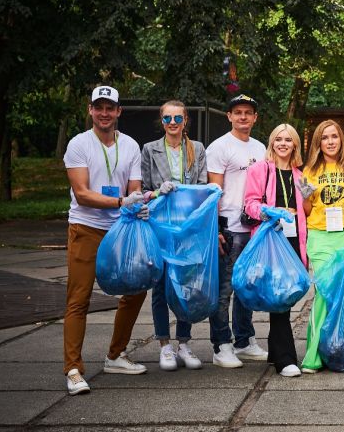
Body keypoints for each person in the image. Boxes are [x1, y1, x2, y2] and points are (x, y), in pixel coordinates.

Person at [62, 86, 150, 395]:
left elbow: (134, 188)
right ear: (90, 110)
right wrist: (122, 202)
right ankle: (73, 370)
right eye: (98, 107)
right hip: (86, 227)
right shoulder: (78, 144)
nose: (104, 113)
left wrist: (139, 203)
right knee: (79, 298)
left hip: (120, 229)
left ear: (118, 111)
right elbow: (82, 194)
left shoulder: (130, 145)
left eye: (109, 107)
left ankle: (115, 355)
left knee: (137, 288)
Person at [139, 100, 207, 372]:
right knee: (159, 285)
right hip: (160, 226)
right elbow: (143, 189)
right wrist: (158, 192)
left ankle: (184, 342)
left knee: (185, 284)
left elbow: (202, 186)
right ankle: (164, 344)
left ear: (185, 120)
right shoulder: (150, 149)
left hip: (187, 227)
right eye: (167, 118)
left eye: (178, 118)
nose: (173, 123)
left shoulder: (197, 149)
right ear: (162, 120)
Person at [300, 120, 344, 373]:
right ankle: (314, 354)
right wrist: (305, 197)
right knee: (323, 293)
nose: (330, 142)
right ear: (318, 143)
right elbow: (308, 210)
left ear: (342, 139)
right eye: (325, 137)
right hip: (320, 236)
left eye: (334, 136)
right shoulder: (310, 170)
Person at [206, 94, 268, 368]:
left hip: (253, 228)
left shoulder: (260, 147)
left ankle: (244, 340)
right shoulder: (219, 147)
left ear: (255, 118)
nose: (243, 116)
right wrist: (216, 228)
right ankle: (221, 345)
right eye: (238, 112)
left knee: (246, 287)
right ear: (229, 116)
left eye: (248, 112)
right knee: (225, 289)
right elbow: (214, 192)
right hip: (229, 227)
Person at [243, 124, 309, 378]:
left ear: (295, 145)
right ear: (272, 143)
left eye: (288, 140)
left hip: (293, 242)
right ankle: (285, 359)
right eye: (278, 139)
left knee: (284, 297)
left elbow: (307, 210)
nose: (283, 143)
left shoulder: (300, 175)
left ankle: (274, 350)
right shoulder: (260, 169)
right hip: (271, 240)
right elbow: (249, 204)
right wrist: (268, 211)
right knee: (279, 297)